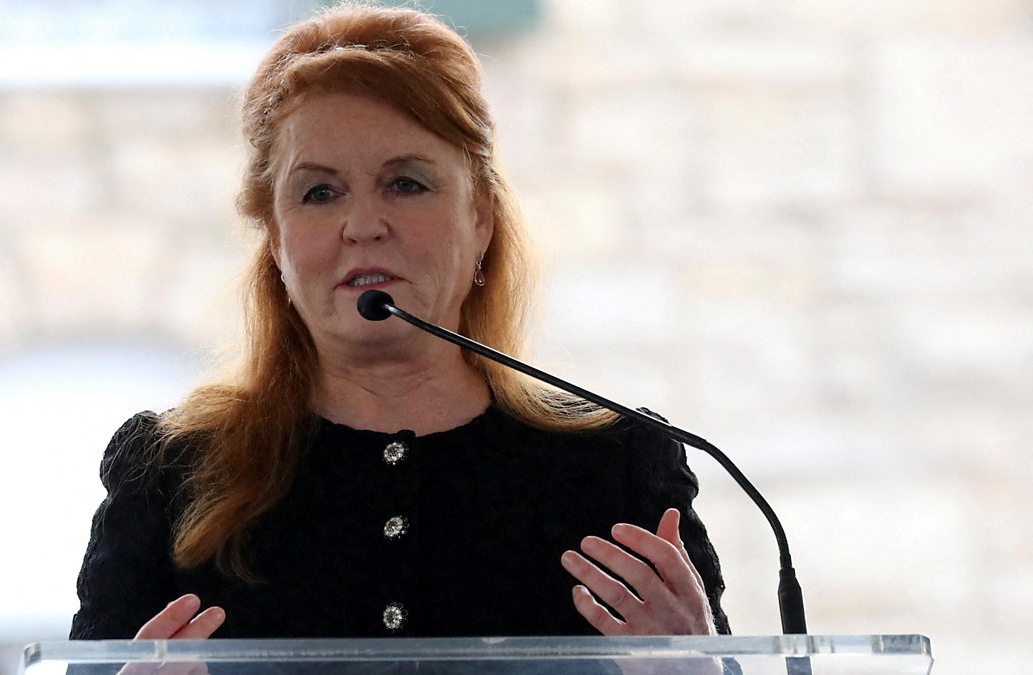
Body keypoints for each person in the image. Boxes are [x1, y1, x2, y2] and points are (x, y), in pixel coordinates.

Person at [70, 3, 730, 642]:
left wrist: (695, 669)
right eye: (319, 192)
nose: (362, 226)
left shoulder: (617, 465)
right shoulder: (169, 474)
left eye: (406, 184)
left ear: (481, 219)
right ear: (275, 242)